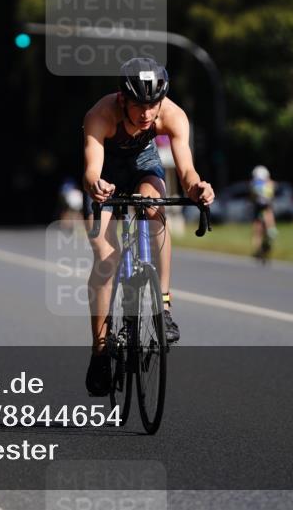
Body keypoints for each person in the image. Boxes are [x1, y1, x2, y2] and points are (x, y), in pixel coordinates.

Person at [81, 57, 214, 396]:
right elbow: (92, 169)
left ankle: (164, 306)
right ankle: (99, 350)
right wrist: (97, 185)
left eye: (151, 105)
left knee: (154, 209)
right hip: (107, 171)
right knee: (106, 256)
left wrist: (198, 188)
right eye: (138, 105)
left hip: (143, 164)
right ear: (122, 99)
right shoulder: (100, 115)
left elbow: (186, 171)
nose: (145, 114)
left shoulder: (173, 115)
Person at [250, 165, 278, 253]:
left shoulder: (254, 183)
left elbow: (252, 197)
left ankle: (258, 247)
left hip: (258, 205)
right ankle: (271, 229)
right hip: (266, 204)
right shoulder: (269, 183)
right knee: (268, 212)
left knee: (257, 228)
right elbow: (272, 194)